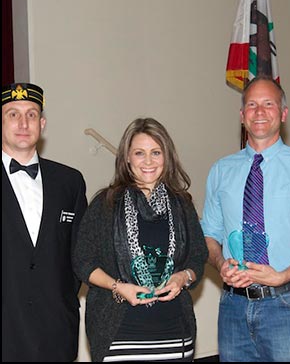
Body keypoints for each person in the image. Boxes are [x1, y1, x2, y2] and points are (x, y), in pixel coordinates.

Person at [201, 75, 290, 362]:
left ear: (283, 114)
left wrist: (282, 276)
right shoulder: (221, 171)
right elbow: (209, 235)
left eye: (268, 104)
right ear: (242, 116)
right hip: (232, 308)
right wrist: (219, 262)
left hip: (286, 307)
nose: (259, 112)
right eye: (251, 105)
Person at [72, 117, 208, 362]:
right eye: (139, 153)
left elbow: (198, 256)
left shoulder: (182, 205)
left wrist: (182, 277)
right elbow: (82, 261)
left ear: (167, 157)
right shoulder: (105, 204)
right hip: (119, 336)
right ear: (126, 158)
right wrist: (118, 287)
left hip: (174, 334)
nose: (148, 161)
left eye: (156, 152)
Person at [2, 82, 88, 362]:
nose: (23, 122)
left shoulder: (70, 181)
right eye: (13, 114)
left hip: (55, 333)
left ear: (42, 123)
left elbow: (80, 255)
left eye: (31, 114)